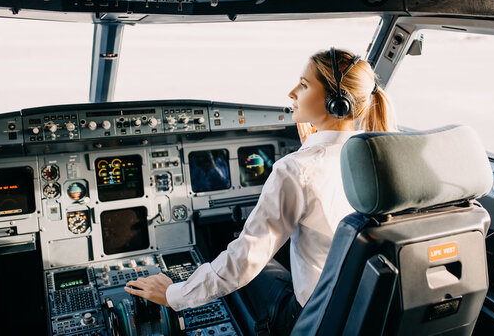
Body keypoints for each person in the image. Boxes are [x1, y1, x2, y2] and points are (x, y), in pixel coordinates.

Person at [124, 48, 396, 334]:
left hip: (314, 318)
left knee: (236, 256)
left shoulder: (297, 169)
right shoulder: (381, 155)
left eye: (304, 85)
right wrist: (314, 142)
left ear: (335, 102)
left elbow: (244, 260)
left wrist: (173, 294)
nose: (292, 93)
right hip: (365, 308)